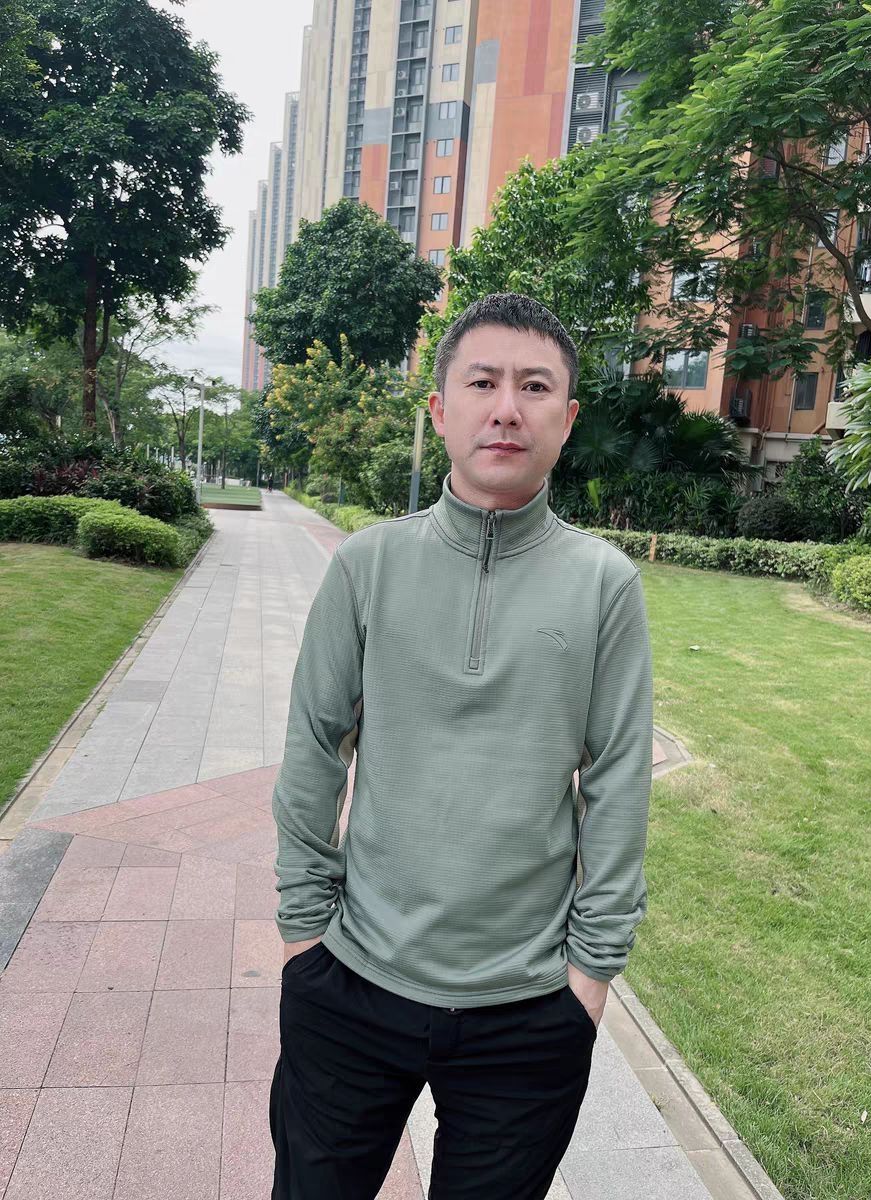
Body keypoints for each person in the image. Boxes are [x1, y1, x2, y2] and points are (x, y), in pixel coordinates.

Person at [270, 293, 654, 1199]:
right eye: (483, 383)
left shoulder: (604, 584)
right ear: (441, 410)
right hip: (351, 979)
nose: (507, 408)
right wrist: (302, 937)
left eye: (535, 387)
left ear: (567, 418)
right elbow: (314, 745)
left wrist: (590, 978)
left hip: (529, 1009)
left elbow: (618, 780)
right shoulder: (368, 565)